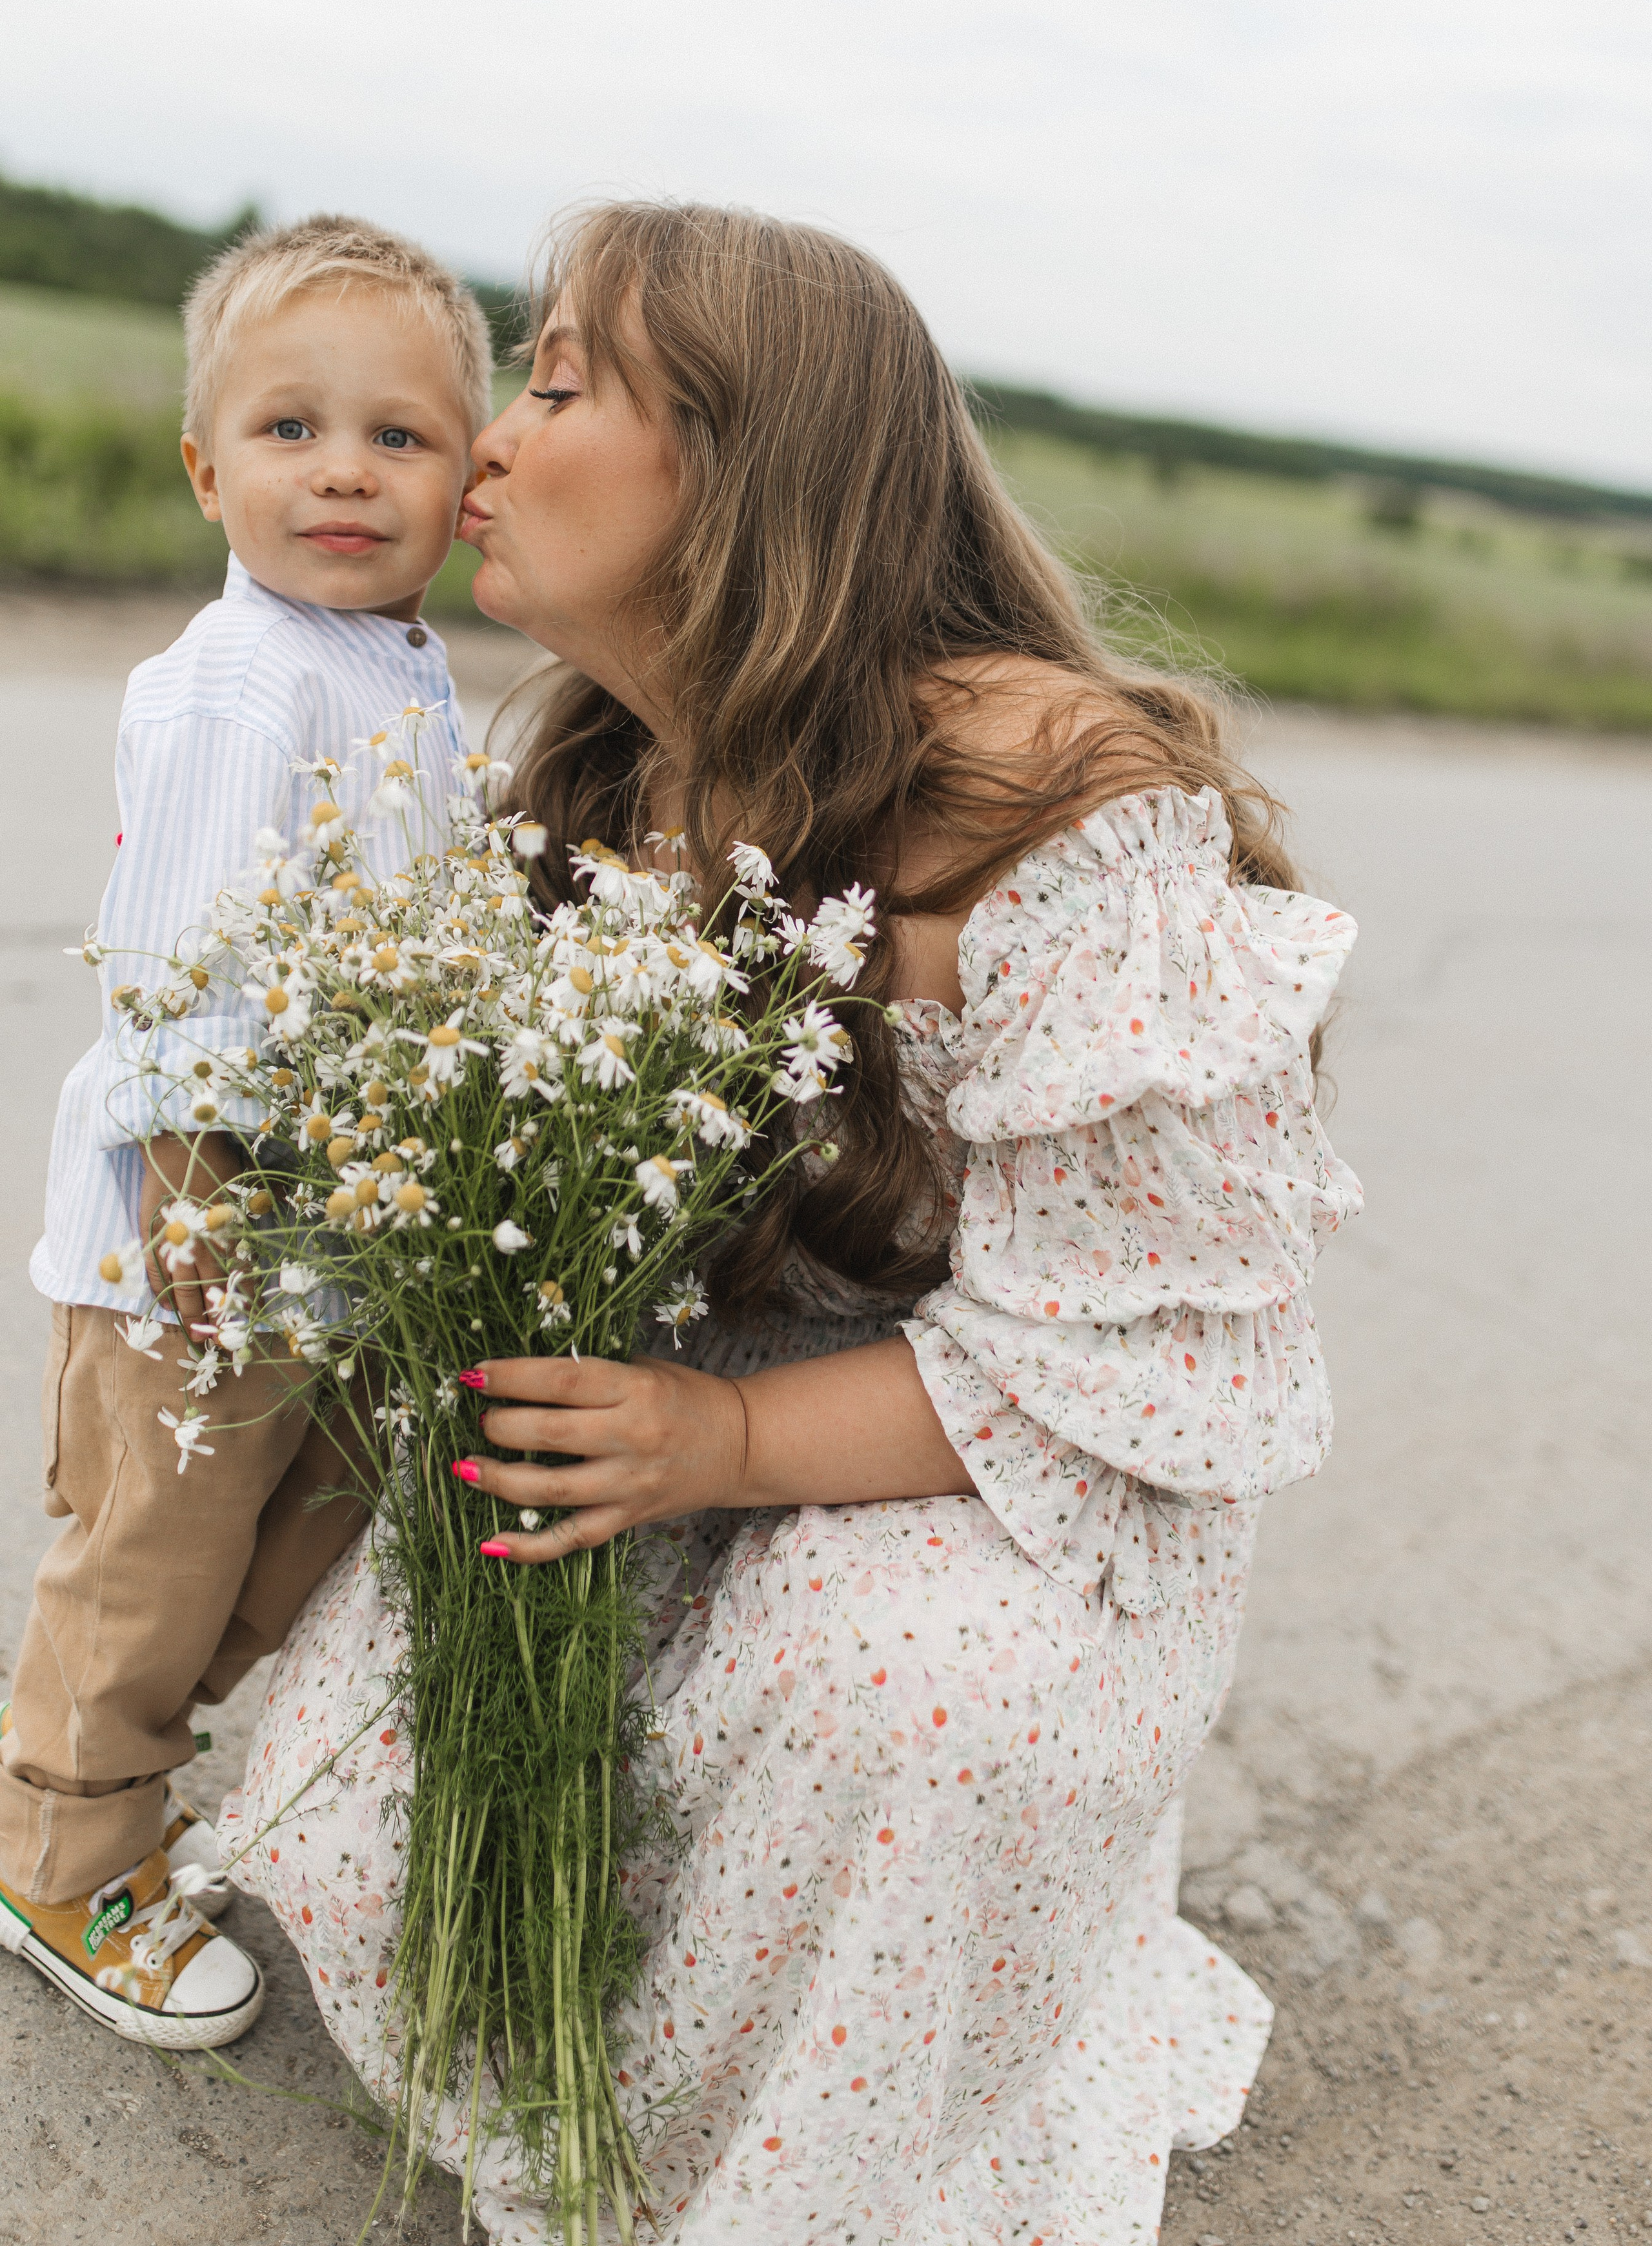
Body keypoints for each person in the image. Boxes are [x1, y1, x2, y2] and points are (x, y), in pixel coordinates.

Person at [224, 201, 1362, 2241]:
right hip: (718, 1405)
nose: (479, 437)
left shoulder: (1050, 805)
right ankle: (589, 2078)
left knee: (886, 1697)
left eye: (558, 379)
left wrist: (733, 1448)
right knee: (401, 1692)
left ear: (749, 468)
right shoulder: (601, 779)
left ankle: (815, 2150)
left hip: (1021, 1474)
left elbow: (1144, 1367)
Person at [0, 217, 489, 2048]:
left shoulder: (391, 665)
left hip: (327, 1237)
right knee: (157, 1552)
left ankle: (60, 1759)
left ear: (467, 482)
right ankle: (65, 1861)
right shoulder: (247, 678)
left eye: (400, 436)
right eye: (290, 428)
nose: (345, 469)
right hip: (192, 1244)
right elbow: (182, 963)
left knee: (291, 1538)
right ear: (206, 468)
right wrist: (204, 1198)